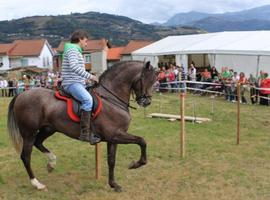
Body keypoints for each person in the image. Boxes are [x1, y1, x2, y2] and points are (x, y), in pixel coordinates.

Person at [61, 29, 100, 145]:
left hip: (77, 82)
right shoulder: (72, 50)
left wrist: (86, 80)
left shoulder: (75, 50)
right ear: (80, 39)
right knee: (88, 100)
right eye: (86, 41)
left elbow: (77, 70)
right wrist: (91, 76)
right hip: (72, 83)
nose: (86, 44)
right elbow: (74, 67)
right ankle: (85, 134)